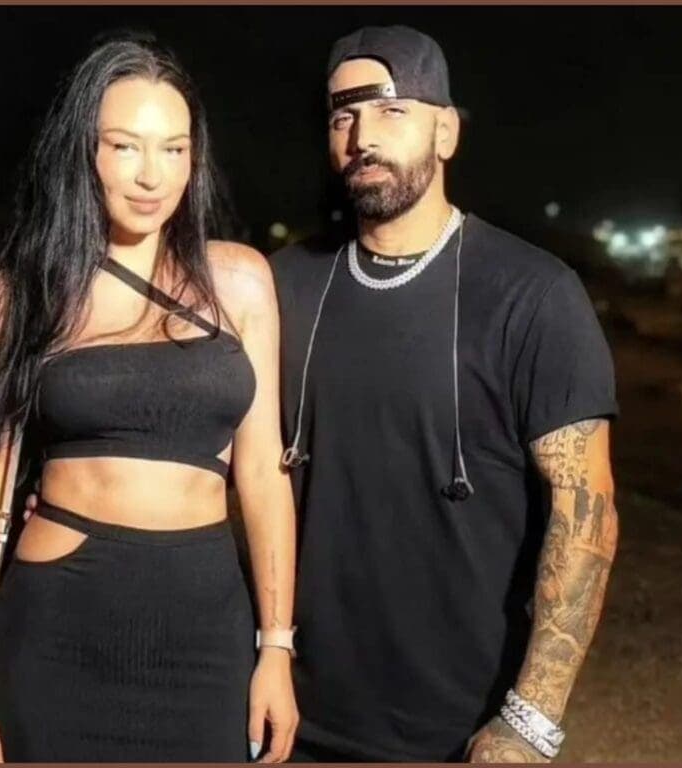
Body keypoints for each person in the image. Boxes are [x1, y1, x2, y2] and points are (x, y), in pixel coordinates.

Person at [268, 25, 620, 762]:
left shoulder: (532, 295)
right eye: (342, 116)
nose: (363, 137)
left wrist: (529, 723)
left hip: (460, 731)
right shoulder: (283, 285)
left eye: (392, 110)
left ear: (447, 131)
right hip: (294, 714)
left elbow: (584, 517)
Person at [0, 35, 298, 763]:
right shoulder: (24, 294)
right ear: (85, 152)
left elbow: (265, 477)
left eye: (174, 149)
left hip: (205, 640)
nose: (150, 175)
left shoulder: (240, 281)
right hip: (57, 634)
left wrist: (276, 646)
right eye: (124, 146)